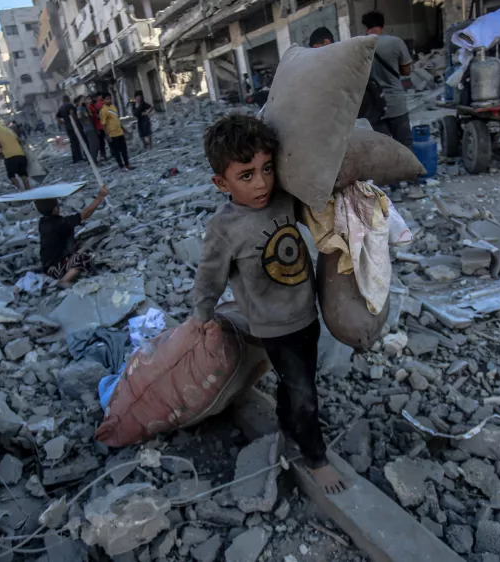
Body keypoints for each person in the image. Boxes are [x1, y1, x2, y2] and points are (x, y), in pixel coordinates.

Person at [192, 115, 346, 495]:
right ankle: (316, 458)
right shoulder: (224, 228)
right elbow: (209, 275)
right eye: (246, 175)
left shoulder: (283, 199)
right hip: (274, 326)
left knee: (297, 381)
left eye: (266, 169)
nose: (261, 183)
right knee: (305, 393)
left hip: (307, 314)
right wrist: (201, 314)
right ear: (220, 183)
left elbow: (318, 207)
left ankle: (286, 420)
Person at [34, 185, 109, 288]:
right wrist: (100, 197)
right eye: (57, 206)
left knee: (79, 248)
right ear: (55, 209)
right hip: (54, 269)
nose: (59, 208)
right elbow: (85, 214)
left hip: (48, 266)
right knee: (83, 257)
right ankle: (64, 281)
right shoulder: (59, 223)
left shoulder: (43, 222)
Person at [362, 11, 414, 148]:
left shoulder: (362, 47)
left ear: (366, 27)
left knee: (385, 151)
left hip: (375, 108)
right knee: (405, 147)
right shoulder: (396, 42)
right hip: (396, 105)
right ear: (382, 25)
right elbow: (407, 71)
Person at [0, 122, 31, 191]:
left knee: (11, 175)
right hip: (21, 154)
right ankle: (29, 190)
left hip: (10, 156)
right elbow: (19, 141)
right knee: (23, 174)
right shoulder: (8, 129)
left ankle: (20, 190)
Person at [99, 93, 133, 171]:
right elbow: (103, 124)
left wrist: (124, 130)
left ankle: (127, 164)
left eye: (110, 98)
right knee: (116, 152)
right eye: (107, 99)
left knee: (124, 150)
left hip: (119, 132)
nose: (109, 100)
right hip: (112, 134)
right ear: (103, 100)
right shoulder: (103, 111)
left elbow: (117, 120)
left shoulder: (113, 107)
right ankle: (121, 166)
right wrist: (107, 135)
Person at [56, 95, 83, 163]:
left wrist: (62, 122)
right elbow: (73, 114)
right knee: (76, 141)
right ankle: (79, 157)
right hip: (73, 125)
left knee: (72, 142)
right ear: (68, 99)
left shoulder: (61, 107)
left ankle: (75, 158)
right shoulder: (70, 105)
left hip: (67, 126)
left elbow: (57, 117)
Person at [75, 95, 102, 163]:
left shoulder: (85, 108)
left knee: (96, 144)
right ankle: (93, 160)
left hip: (91, 128)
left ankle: (93, 159)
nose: (85, 101)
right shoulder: (80, 108)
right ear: (79, 101)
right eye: (83, 99)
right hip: (88, 128)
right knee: (94, 145)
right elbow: (80, 118)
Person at [89, 93, 109, 162]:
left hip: (102, 125)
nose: (94, 99)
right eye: (93, 98)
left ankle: (107, 154)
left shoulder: (97, 104)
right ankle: (103, 155)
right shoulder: (90, 106)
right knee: (101, 142)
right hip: (98, 126)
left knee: (107, 140)